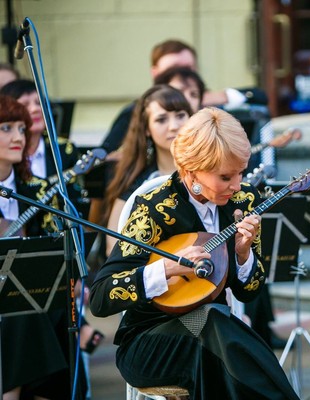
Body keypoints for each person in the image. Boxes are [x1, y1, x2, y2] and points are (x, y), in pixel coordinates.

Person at [89, 107, 300, 400]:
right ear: (191, 171)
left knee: (214, 334)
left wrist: (242, 255)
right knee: (215, 331)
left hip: (216, 334)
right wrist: (165, 269)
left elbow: (249, 293)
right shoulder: (154, 209)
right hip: (151, 340)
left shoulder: (244, 199)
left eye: (240, 172)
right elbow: (101, 297)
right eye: (226, 176)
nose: (237, 185)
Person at [0, 95, 88, 400]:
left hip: (29, 298)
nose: (17, 137)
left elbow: (57, 256)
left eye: (22, 129)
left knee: (36, 306)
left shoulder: (39, 190)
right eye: (6, 128)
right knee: (24, 310)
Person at [101, 39, 267, 155]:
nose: (181, 75)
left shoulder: (205, 102)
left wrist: (213, 97)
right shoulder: (136, 110)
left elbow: (260, 96)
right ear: (156, 74)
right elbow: (106, 154)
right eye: (173, 70)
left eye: (187, 68)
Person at [103, 84, 192, 256]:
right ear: (146, 129)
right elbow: (112, 247)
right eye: (161, 119)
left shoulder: (211, 172)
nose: (174, 126)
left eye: (180, 116)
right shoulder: (137, 183)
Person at [0, 79, 86, 216]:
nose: (35, 109)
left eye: (39, 103)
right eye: (25, 104)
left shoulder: (64, 149)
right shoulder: (10, 170)